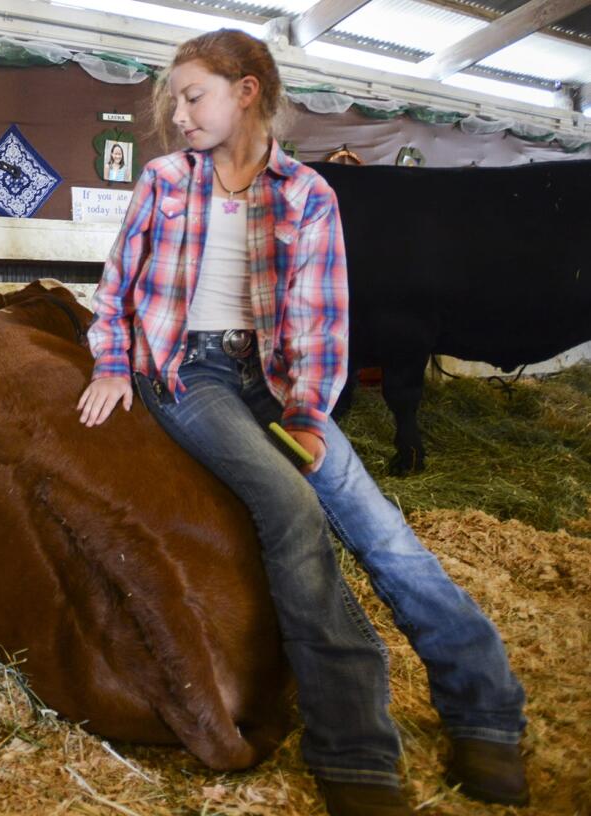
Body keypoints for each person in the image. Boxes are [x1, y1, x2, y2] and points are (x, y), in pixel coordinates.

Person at [76, 29, 528, 816]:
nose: (178, 114)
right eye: (174, 101)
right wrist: (114, 365)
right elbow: (116, 289)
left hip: (274, 378)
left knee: (379, 526)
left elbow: (323, 323)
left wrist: (310, 413)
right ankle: (355, 749)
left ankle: (485, 713)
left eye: (193, 96)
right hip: (187, 374)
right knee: (290, 507)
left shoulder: (307, 196)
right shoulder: (161, 182)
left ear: (246, 90)